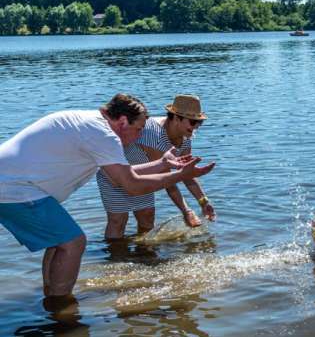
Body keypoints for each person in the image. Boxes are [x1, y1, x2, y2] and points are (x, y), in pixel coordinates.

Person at [0, 93, 215, 298]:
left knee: (59, 242)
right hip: (14, 187)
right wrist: (180, 175)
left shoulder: (91, 123)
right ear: (122, 121)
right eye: (139, 129)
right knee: (73, 243)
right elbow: (131, 185)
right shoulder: (104, 135)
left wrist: (162, 164)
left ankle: (50, 299)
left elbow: (125, 174)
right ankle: (61, 308)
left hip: (14, 182)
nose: (140, 135)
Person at [97, 94, 216, 239]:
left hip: (143, 178)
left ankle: (142, 251)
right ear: (176, 118)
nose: (196, 126)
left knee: (147, 217)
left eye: (199, 122)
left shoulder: (186, 138)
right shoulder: (155, 134)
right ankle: (113, 252)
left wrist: (204, 202)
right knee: (118, 221)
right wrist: (186, 211)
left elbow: (186, 174)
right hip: (115, 175)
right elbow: (168, 181)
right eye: (192, 122)